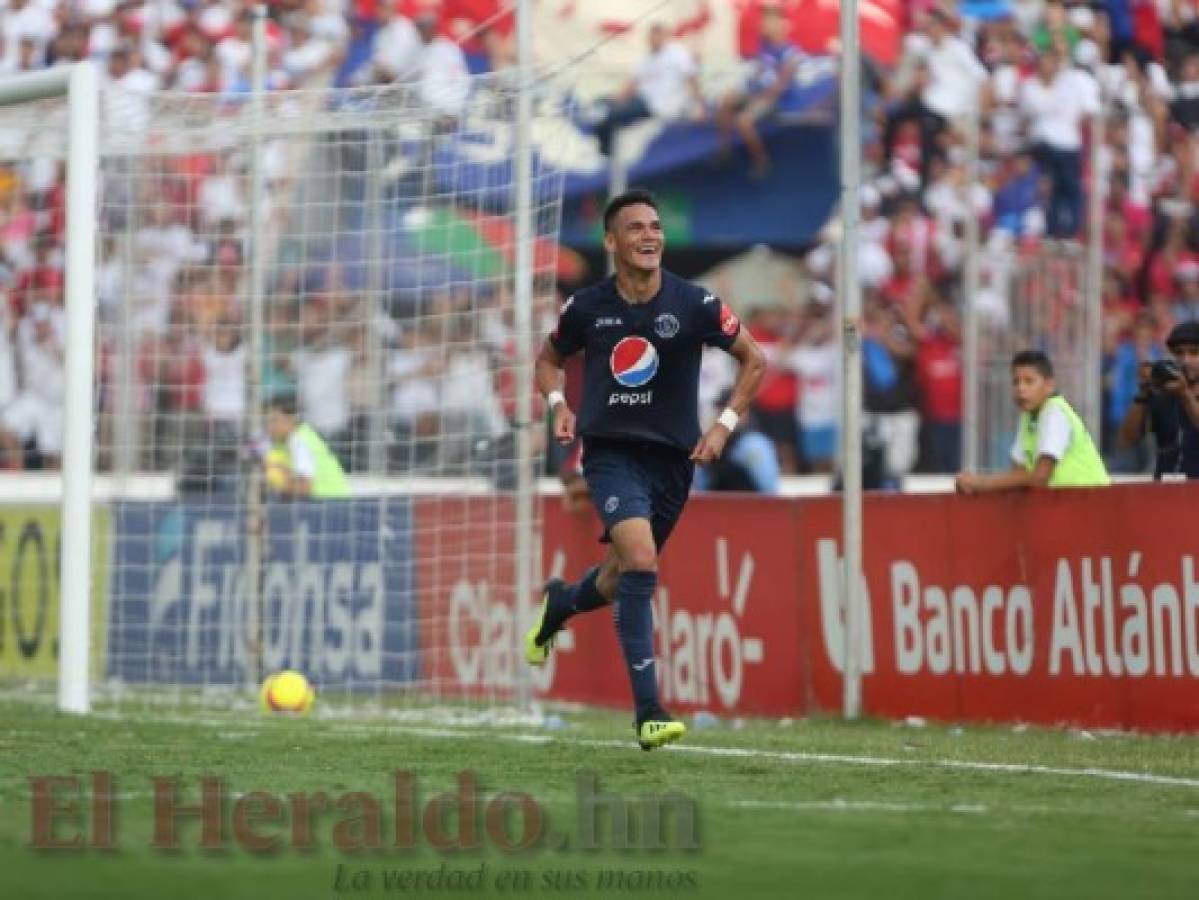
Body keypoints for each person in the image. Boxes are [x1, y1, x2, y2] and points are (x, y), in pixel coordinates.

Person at [526, 188, 766, 750]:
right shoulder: (586, 307)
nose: (649, 236)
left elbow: (755, 359)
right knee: (639, 558)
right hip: (609, 455)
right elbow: (547, 359)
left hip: (673, 463)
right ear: (611, 242)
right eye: (635, 228)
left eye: (655, 226)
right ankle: (649, 712)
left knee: (617, 578)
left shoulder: (696, 305)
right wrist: (559, 406)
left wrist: (724, 425)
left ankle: (560, 603)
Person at [955, 349, 1109, 494]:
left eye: (1029, 381)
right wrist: (973, 483)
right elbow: (1019, 473)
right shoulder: (1028, 418)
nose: (1020, 388)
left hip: (1093, 502)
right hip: (1069, 506)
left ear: (1049, 386)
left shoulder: (1055, 413)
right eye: (1016, 382)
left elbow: (1040, 477)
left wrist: (981, 484)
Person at [1116, 322, 1199, 479]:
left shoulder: (1181, 395)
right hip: (1166, 493)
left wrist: (1185, 396)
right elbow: (1126, 441)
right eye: (1180, 354)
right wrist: (1143, 394)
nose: (1186, 360)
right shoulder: (1164, 397)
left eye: (1194, 353)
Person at [263, 394, 350, 499]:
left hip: (328, 504)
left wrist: (274, 486)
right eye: (266, 422)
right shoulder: (284, 442)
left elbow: (304, 488)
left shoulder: (300, 441)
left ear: (291, 419)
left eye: (274, 420)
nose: (269, 427)